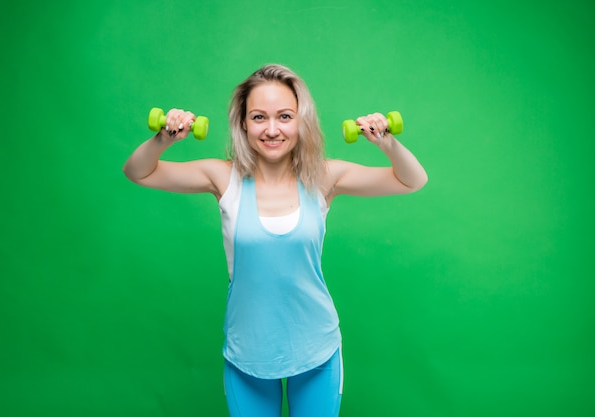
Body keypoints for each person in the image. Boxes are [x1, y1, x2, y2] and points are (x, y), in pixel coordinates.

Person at [123, 64, 427, 417]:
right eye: (258, 117)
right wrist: (165, 139)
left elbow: (412, 180)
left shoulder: (323, 177)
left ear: (301, 121)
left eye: (284, 116)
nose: (271, 129)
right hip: (247, 354)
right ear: (243, 124)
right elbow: (138, 171)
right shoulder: (223, 177)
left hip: (317, 349)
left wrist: (387, 142)